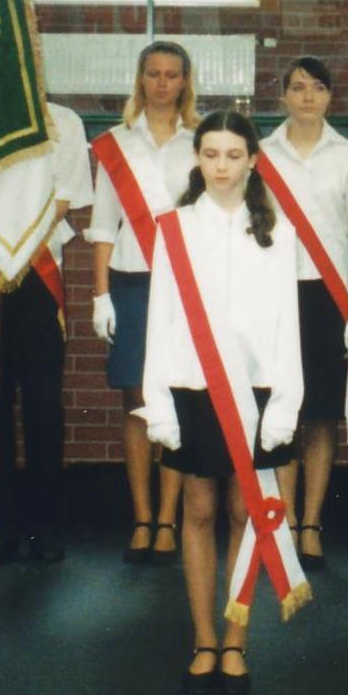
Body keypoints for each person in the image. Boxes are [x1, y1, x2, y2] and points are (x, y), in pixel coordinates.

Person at [138, 110, 305, 695]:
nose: (222, 166)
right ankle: (204, 637)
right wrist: (157, 400)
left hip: (255, 390)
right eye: (211, 154)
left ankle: (237, 638)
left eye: (234, 155)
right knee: (199, 509)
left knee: (244, 512)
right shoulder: (175, 228)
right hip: (192, 385)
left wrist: (285, 402)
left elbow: (287, 324)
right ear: (197, 159)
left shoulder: (277, 233)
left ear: (253, 161)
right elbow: (160, 319)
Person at [257, 57, 348, 569]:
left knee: (323, 415)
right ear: (283, 95)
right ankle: (281, 522)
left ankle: (311, 524)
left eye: (318, 87)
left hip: (329, 297)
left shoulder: (347, 156)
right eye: (298, 87)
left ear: (330, 96)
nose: (307, 96)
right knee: (280, 410)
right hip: (274, 295)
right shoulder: (262, 154)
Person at [0, 100, 90, 563]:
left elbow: (66, 196)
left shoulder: (65, 121)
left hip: (38, 266)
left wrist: (15, 239)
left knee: (42, 403)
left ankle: (43, 525)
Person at [89, 41, 200, 563]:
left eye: (171, 74)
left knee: (175, 397)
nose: (161, 83)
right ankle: (140, 517)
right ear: (140, 79)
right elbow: (102, 227)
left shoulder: (201, 142)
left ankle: (168, 520)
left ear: (185, 82)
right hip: (131, 283)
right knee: (136, 401)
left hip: (185, 286)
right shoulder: (116, 143)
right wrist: (101, 296)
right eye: (153, 73)